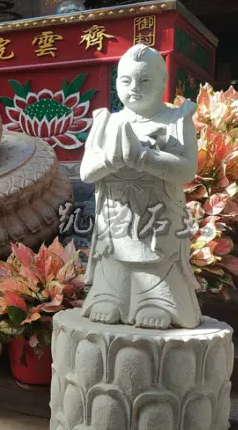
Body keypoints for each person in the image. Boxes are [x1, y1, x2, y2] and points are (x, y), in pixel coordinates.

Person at [80, 44, 201, 329]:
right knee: (114, 259)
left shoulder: (176, 119)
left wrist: (144, 158)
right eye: (126, 80)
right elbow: (86, 172)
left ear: (163, 81)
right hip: (116, 213)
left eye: (145, 80)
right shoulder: (107, 121)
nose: (134, 87)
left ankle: (157, 302)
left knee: (156, 258)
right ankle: (110, 296)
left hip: (158, 213)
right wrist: (110, 161)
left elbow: (187, 170)